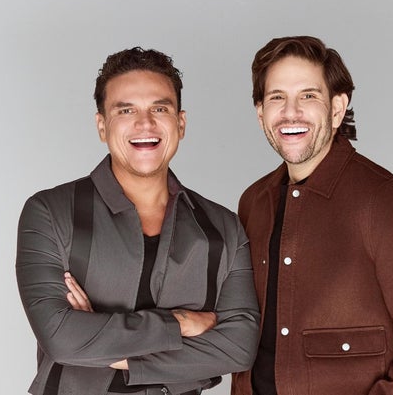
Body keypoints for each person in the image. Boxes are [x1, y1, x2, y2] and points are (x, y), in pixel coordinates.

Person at [16, 47, 260, 395]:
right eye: (126, 110)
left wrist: (105, 345)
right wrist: (181, 323)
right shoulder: (49, 212)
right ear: (102, 126)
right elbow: (60, 338)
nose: (145, 123)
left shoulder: (225, 228)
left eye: (159, 109)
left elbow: (238, 347)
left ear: (181, 123)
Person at [230, 36, 393, 395]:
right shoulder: (253, 202)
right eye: (277, 97)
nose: (291, 112)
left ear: (337, 108)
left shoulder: (383, 198)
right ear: (261, 112)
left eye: (308, 96)